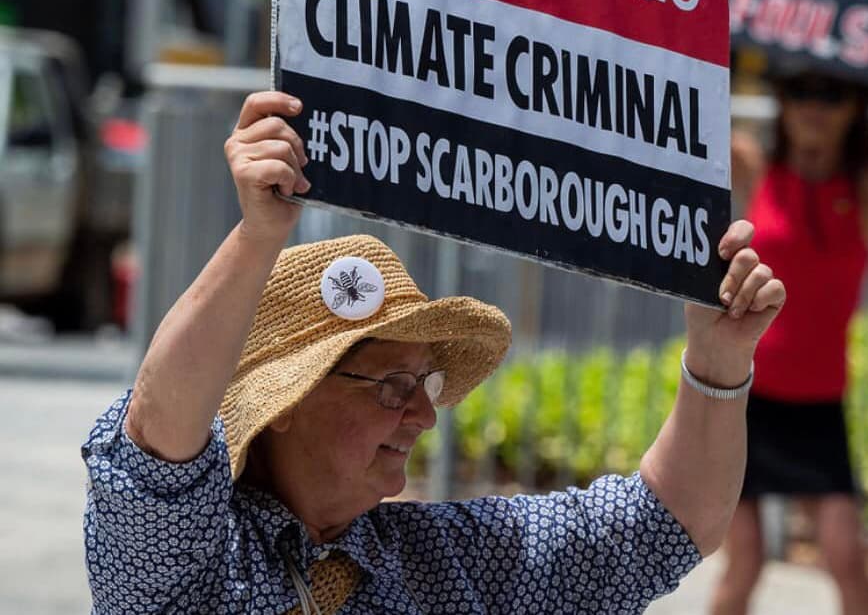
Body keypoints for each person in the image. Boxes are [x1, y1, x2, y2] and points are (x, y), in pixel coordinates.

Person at [82, 91, 787, 614]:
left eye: (425, 381)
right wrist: (257, 237)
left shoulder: (449, 559)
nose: (425, 414)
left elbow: (664, 527)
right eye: (392, 384)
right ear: (287, 402)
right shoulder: (191, 568)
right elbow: (154, 441)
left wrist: (717, 366)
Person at [711, 29, 868, 615]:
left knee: (846, 554)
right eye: (798, 93)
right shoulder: (755, 165)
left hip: (819, 402)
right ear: (782, 103)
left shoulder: (862, 188)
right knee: (743, 562)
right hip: (748, 395)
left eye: (831, 96)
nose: (813, 109)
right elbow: (693, 127)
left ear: (855, 109)